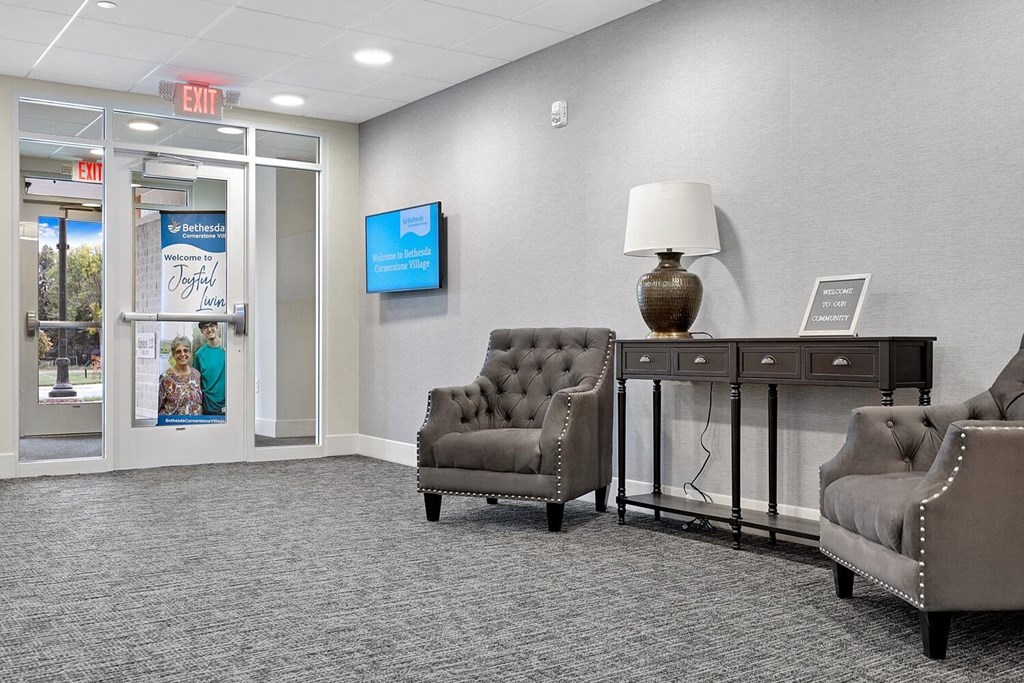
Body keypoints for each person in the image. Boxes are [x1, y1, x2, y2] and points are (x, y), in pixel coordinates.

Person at [158, 335, 203, 415]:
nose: (182, 354)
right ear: (173, 355)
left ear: (190, 353)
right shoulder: (165, 378)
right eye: (178, 351)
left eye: (185, 350)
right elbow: (157, 406)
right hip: (173, 425)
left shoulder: (196, 374)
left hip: (195, 424)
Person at [193, 321, 226, 416]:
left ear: (217, 327)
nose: (209, 329)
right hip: (207, 407)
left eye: (212, 326)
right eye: (205, 327)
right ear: (202, 331)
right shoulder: (199, 354)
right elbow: (197, 382)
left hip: (228, 406)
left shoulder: (228, 350)